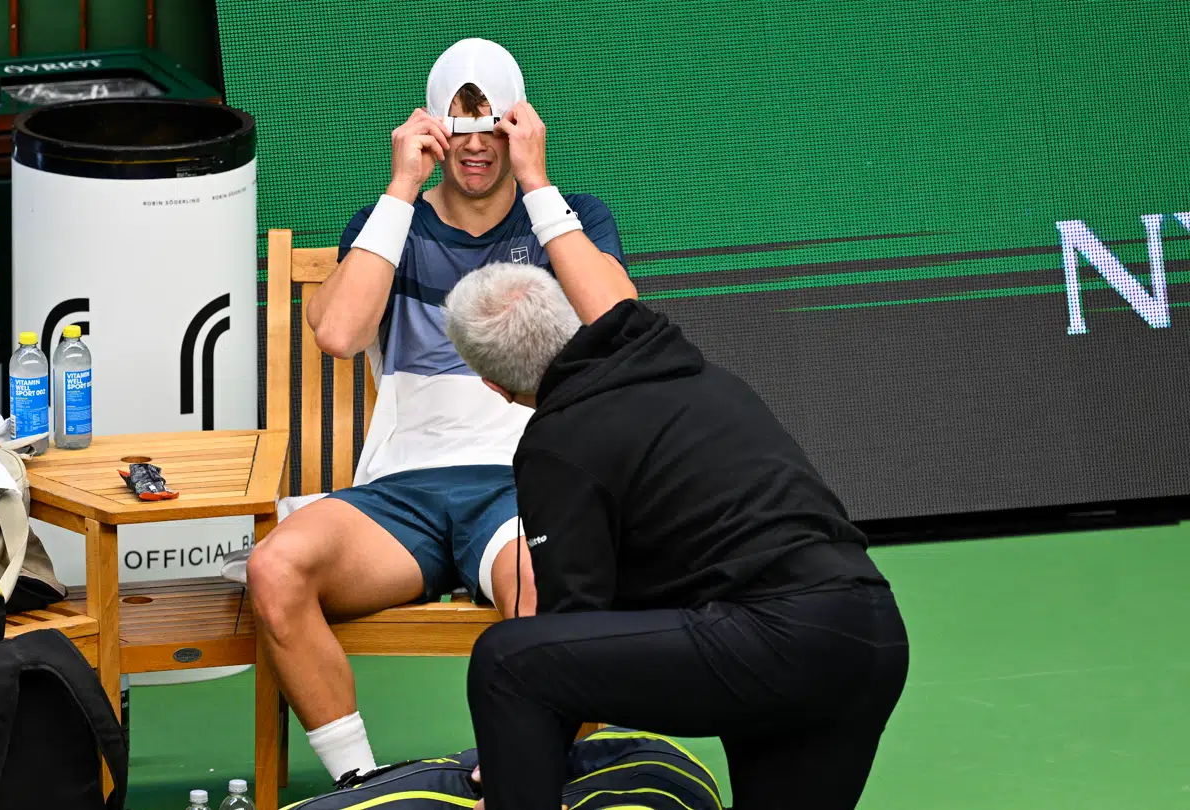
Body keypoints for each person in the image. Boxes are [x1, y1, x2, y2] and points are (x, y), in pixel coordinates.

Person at [243, 38, 638, 783]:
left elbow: (621, 320)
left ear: (519, 124)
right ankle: (363, 785)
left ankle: (521, 771)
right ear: (431, 128)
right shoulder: (390, 224)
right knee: (276, 566)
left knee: (567, 587)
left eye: (493, 126)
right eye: (461, 128)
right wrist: (400, 190)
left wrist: (538, 183)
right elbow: (337, 333)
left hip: (525, 485)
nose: (477, 146)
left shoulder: (569, 217)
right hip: (402, 494)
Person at [441, 263, 910, 810]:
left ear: (494, 386)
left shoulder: (558, 442)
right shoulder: (698, 374)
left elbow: (571, 618)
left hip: (772, 639)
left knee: (507, 662)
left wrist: (514, 767)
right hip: (871, 635)